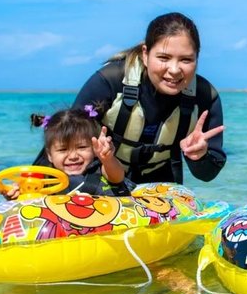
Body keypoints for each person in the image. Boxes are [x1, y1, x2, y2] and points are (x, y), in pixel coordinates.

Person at [35, 12, 226, 185]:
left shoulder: (204, 98)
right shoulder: (110, 82)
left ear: (197, 58)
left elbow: (208, 174)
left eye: (186, 60)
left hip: (160, 184)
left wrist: (199, 156)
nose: (174, 70)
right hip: (101, 180)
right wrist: (30, 185)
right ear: (145, 54)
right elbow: (63, 140)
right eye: (163, 58)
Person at [4, 105, 130, 199]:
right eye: (63, 150)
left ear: (93, 148)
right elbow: (29, 198)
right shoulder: (45, 180)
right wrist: (16, 193)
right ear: (49, 155)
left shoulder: (101, 170)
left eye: (81, 147)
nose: (73, 156)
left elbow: (117, 176)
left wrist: (107, 159)